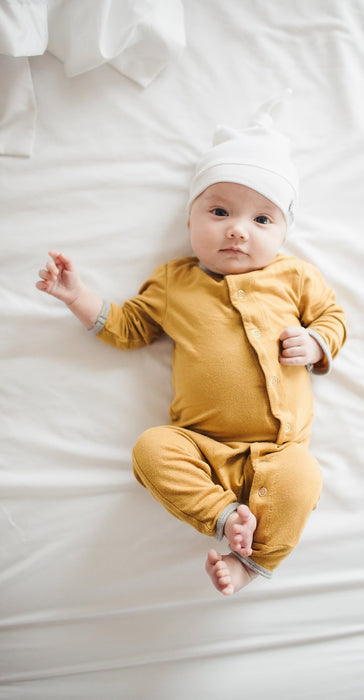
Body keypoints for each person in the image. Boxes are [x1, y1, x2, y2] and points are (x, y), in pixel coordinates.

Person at [36, 95, 347, 595]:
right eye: (219, 211)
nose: (237, 230)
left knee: (304, 478)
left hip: (281, 446)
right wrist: (77, 297)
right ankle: (224, 517)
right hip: (202, 447)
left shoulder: (294, 276)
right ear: (189, 220)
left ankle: (255, 561)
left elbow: (333, 318)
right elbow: (128, 326)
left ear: (286, 231)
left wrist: (315, 343)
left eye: (262, 220)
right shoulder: (174, 282)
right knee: (150, 449)